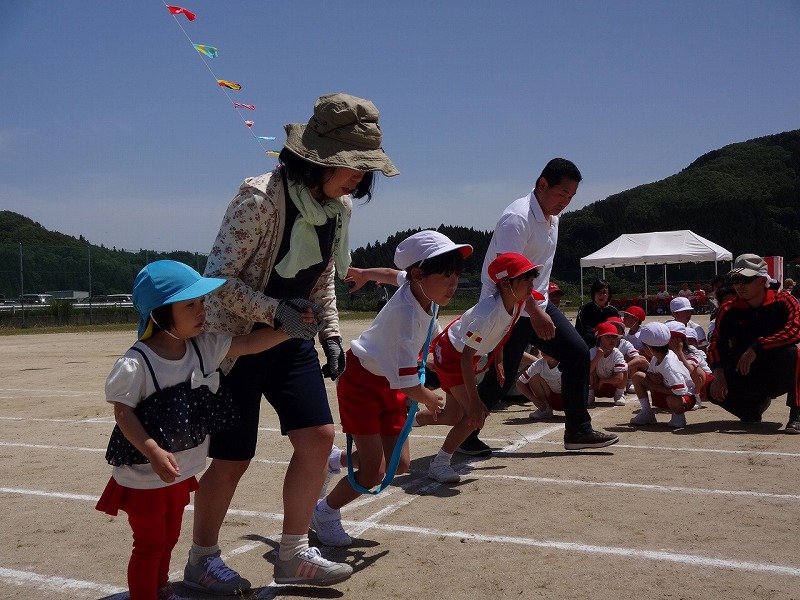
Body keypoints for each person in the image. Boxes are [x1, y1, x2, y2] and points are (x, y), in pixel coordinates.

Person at [189, 93, 398, 590]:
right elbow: (216, 281)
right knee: (233, 458)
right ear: (317, 160)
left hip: (292, 336)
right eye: (353, 165)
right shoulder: (258, 199)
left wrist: (331, 335)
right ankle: (201, 560)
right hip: (236, 343)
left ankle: (293, 552)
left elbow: (322, 278)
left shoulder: (339, 206)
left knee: (319, 438)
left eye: (364, 168)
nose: (359, 178)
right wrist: (274, 311)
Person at [96, 261, 305, 600]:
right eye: (189, 304)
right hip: (145, 476)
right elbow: (123, 413)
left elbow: (249, 344)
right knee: (149, 544)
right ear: (159, 313)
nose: (201, 310)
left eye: (202, 302)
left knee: (169, 537)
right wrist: (152, 450)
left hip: (178, 472)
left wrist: (290, 329)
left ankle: (161, 589)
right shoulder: (137, 362)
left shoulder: (202, 346)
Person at [312, 230, 469, 545]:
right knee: (373, 472)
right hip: (362, 382)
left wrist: (365, 273)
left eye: (455, 275)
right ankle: (324, 512)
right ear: (419, 275)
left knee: (399, 464)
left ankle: (335, 460)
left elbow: (390, 274)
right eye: (446, 276)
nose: (453, 284)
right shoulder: (406, 317)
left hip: (389, 381)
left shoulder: (419, 289)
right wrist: (431, 399)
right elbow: (410, 384)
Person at [462, 158, 618, 456]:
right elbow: (508, 276)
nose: (565, 202)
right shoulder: (517, 219)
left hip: (537, 305)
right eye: (562, 194)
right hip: (507, 308)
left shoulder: (552, 218)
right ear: (542, 184)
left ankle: (578, 430)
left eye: (571, 196)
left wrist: (538, 309)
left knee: (577, 353)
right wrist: (534, 313)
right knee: (501, 378)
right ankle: (465, 435)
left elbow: (537, 271)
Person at [415, 253, 541, 483]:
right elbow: (465, 356)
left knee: (453, 415)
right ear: (505, 284)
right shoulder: (487, 313)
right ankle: (440, 462)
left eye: (532, 278)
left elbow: (500, 334)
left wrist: (498, 361)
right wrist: (474, 400)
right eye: (526, 279)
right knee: (475, 414)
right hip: (453, 356)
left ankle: (407, 421)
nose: (532, 284)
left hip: (462, 355)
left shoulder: (516, 304)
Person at [706, 254, 800, 432]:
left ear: (762, 280)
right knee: (712, 389)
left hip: (776, 370)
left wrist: (757, 347)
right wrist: (718, 375)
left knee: (794, 353)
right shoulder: (728, 309)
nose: (739, 285)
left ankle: (797, 413)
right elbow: (717, 345)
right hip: (745, 371)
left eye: (746, 279)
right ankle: (752, 409)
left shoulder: (784, 302)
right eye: (735, 280)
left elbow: (795, 331)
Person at [628, 322, 696, 429]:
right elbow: (651, 371)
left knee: (672, 399)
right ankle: (647, 412)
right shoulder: (657, 357)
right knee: (638, 376)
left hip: (684, 397)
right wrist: (651, 376)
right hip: (666, 390)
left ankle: (679, 416)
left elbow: (680, 390)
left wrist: (658, 388)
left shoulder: (670, 365)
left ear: (648, 348)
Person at [588, 322, 628, 406]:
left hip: (612, 385)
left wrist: (603, 380)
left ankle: (619, 394)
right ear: (598, 339)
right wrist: (598, 357)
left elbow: (619, 378)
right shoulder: (592, 352)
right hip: (596, 385)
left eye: (614, 337)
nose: (612, 340)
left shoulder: (617, 354)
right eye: (607, 337)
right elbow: (587, 372)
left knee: (624, 369)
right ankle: (590, 395)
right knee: (589, 369)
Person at [574, 279, 620, 348]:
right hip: (589, 346)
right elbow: (579, 331)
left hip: (609, 348)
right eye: (598, 292)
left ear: (609, 294)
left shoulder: (613, 312)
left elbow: (618, 332)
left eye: (604, 292)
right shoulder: (584, 309)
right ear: (593, 293)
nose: (601, 295)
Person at [517, 352, 563, 419]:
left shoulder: (567, 362)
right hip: (550, 399)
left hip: (569, 400)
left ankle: (575, 411)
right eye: (542, 348)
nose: (544, 351)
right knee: (533, 377)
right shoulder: (539, 364)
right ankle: (545, 409)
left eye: (549, 348)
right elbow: (519, 382)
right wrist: (534, 400)